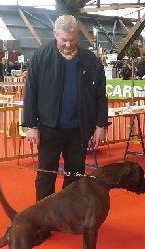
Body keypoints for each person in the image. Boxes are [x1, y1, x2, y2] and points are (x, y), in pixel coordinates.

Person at [22, 14, 108, 203]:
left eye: (72, 40)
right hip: (48, 128)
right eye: (64, 40)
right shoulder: (40, 56)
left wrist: (101, 124)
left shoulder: (90, 60)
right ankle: (43, 218)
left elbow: (100, 94)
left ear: (77, 35)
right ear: (55, 35)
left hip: (79, 130)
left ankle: (69, 214)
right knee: (46, 175)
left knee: (75, 175)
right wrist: (31, 125)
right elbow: (30, 92)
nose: (68, 45)